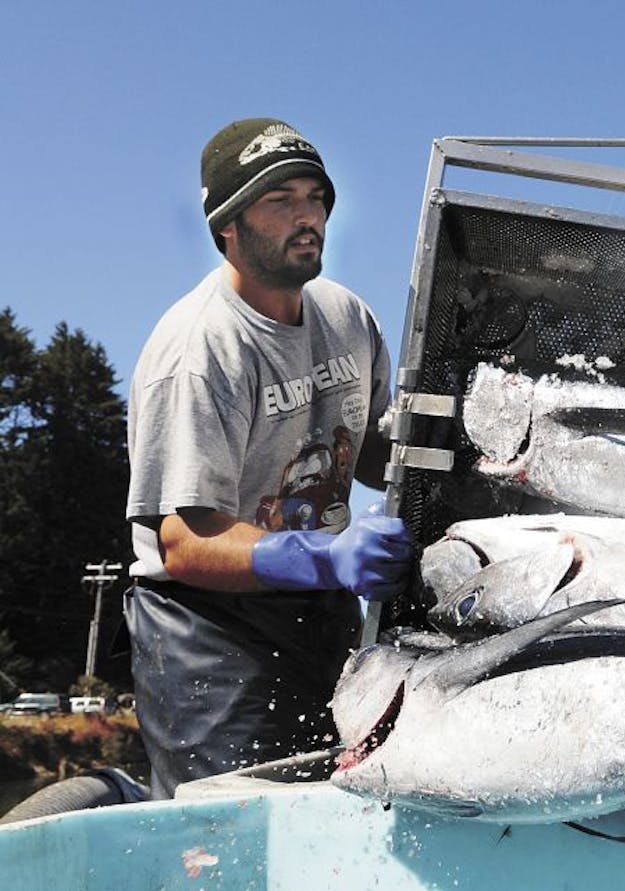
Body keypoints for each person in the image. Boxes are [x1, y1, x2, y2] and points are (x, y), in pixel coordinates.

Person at [124, 118, 412, 799]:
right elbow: (185, 542)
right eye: (281, 199)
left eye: (316, 196)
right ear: (228, 223)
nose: (308, 216)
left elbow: (375, 452)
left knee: (338, 811)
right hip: (209, 634)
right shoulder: (198, 351)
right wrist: (328, 555)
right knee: (232, 835)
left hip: (320, 612)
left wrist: (459, 442)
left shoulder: (348, 317)